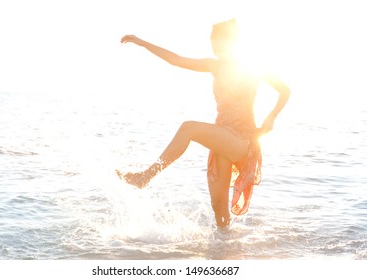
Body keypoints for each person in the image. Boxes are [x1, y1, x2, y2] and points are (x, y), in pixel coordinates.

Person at [116, 19, 290, 228]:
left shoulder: (252, 67)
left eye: (216, 40)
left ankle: (145, 177)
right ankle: (224, 251)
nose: (213, 45)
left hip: (243, 142)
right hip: (222, 140)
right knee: (218, 209)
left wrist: (272, 116)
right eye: (211, 41)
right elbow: (176, 60)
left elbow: (285, 90)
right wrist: (143, 43)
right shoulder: (214, 66)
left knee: (189, 128)